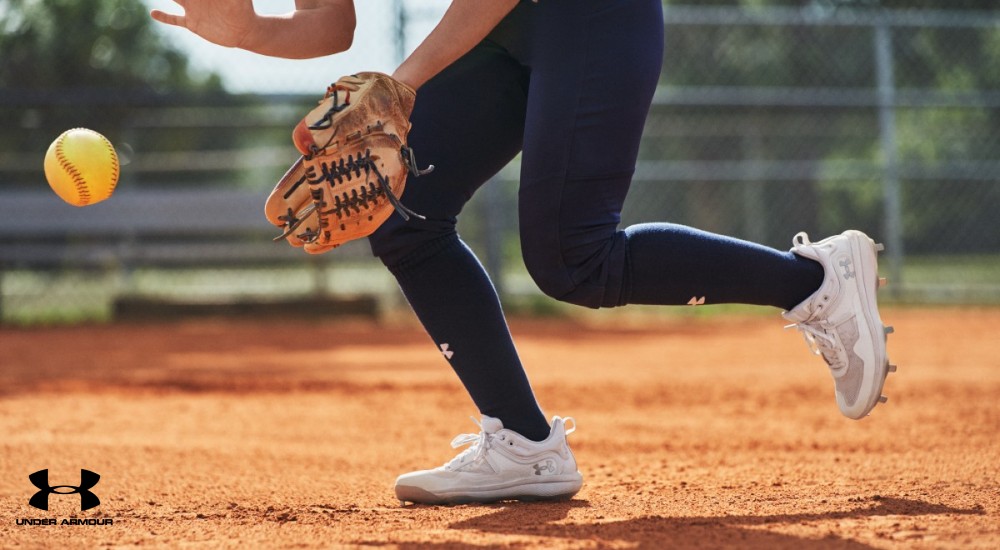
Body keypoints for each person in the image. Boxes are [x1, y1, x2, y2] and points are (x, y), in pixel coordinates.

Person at [151, 0, 894, 505]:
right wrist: (245, 33)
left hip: (590, 15)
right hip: (504, 33)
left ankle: (816, 281)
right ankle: (525, 446)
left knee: (574, 259)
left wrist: (402, 84)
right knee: (405, 218)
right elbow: (329, 22)